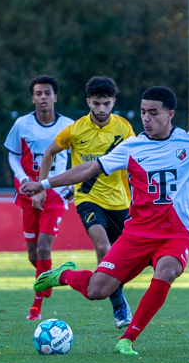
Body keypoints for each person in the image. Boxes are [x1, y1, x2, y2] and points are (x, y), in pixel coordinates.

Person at [22, 85, 189, 355]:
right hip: (136, 234)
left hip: (175, 234)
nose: (146, 118)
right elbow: (89, 168)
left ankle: (127, 339)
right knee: (97, 291)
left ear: (170, 114)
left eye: (153, 112)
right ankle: (62, 275)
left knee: (167, 271)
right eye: (143, 112)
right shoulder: (132, 146)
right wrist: (44, 183)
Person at [38, 76, 135, 328]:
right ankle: (119, 307)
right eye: (96, 103)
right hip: (87, 199)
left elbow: (136, 161)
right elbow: (49, 152)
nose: (101, 109)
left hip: (120, 202)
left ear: (114, 102)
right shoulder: (76, 129)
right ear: (88, 102)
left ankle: (68, 276)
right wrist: (41, 187)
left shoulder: (124, 128)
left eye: (106, 103)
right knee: (103, 247)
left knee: (124, 261)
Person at [4, 75, 75, 320]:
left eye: (47, 93)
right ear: (33, 98)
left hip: (55, 193)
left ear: (55, 97)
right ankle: (50, 276)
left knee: (45, 248)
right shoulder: (22, 124)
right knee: (34, 255)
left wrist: (72, 185)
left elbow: (79, 157)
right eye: (38, 93)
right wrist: (24, 179)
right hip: (28, 193)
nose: (43, 97)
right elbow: (13, 155)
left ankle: (35, 309)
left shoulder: (69, 125)